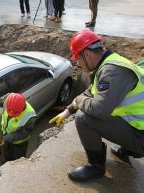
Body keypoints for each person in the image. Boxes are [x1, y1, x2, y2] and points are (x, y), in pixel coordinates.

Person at [49, 30, 144, 182]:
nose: (78, 65)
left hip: (141, 135)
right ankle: (130, 148)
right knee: (97, 108)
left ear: (87, 54)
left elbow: (99, 109)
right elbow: (91, 91)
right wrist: (68, 111)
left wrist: (79, 103)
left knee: (84, 118)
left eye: (77, 60)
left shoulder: (112, 72)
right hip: (138, 125)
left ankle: (96, 167)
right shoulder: (110, 62)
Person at [0, 93, 37, 161]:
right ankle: (7, 163)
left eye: (15, 114)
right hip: (5, 134)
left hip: (20, 143)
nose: (11, 115)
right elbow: (1, 101)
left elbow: (23, 134)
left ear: (21, 110)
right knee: (7, 153)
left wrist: (6, 138)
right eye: (9, 111)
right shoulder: (9, 99)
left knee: (20, 158)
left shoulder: (30, 116)